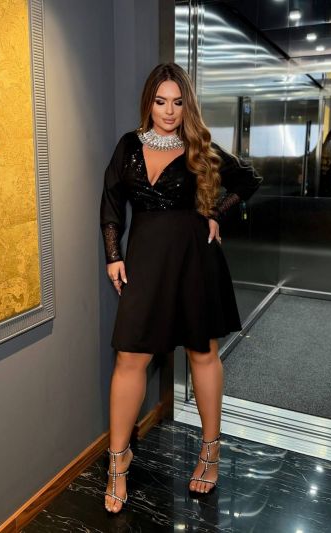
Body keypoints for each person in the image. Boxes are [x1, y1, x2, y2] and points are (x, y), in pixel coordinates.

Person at [100, 62, 263, 513]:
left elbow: (248, 179)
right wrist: (113, 254)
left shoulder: (199, 147)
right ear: (148, 102)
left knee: (201, 352)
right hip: (146, 262)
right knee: (129, 356)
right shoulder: (128, 146)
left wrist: (216, 214)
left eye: (177, 102)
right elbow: (111, 200)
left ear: (186, 105)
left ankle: (210, 453)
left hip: (194, 260)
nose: (169, 111)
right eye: (160, 101)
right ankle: (118, 461)